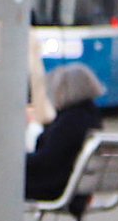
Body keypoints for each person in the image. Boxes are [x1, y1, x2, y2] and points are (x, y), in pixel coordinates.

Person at [25, 63, 105, 203]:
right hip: (73, 187)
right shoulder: (90, 116)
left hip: (55, 186)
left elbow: (47, 160)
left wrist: (13, 162)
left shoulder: (71, 120)